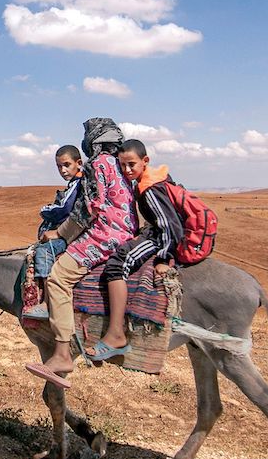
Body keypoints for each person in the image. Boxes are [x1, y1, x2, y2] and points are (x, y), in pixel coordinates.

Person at [25, 118, 137, 388]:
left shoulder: (98, 164)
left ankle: (62, 354)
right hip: (126, 229)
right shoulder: (118, 164)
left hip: (107, 233)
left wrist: (61, 233)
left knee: (58, 277)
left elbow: (89, 208)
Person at [88, 139, 184, 361]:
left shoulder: (149, 188)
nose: (127, 170)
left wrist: (164, 257)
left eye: (131, 164)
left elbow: (169, 225)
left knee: (116, 265)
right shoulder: (153, 179)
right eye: (122, 165)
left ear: (145, 161)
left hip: (159, 238)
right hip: (154, 233)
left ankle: (115, 335)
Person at [26, 145, 83, 317]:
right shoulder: (74, 183)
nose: (63, 170)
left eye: (67, 165)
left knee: (44, 252)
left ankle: (46, 302)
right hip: (69, 230)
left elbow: (63, 209)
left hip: (71, 234)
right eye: (59, 166)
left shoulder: (77, 183)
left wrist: (44, 210)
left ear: (78, 163)